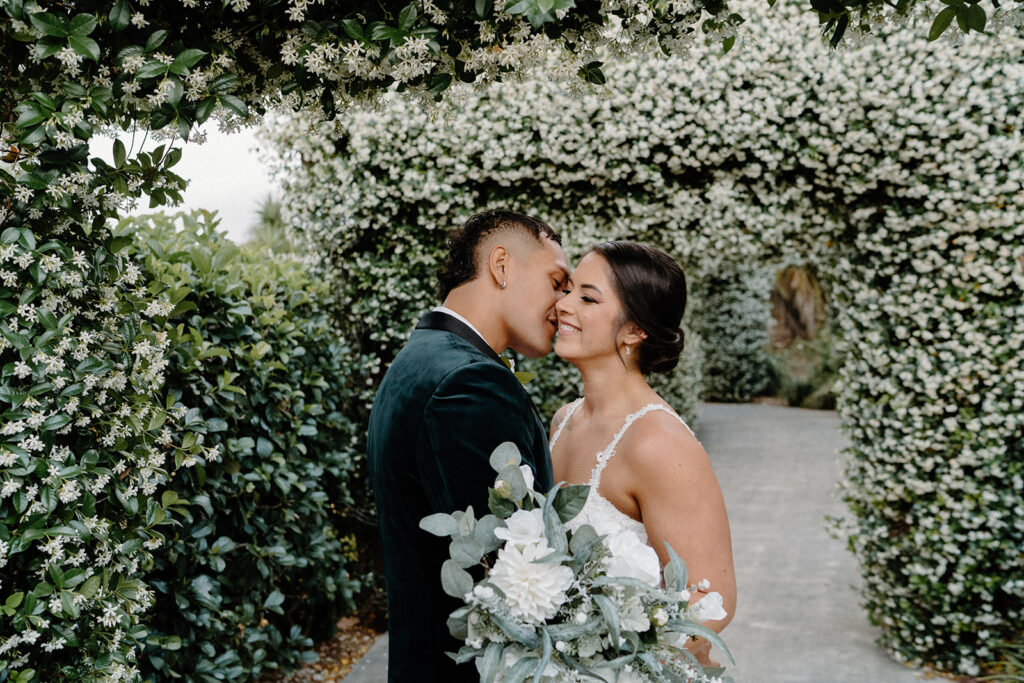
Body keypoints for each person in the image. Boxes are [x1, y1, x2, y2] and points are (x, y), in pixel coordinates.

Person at [367, 209, 571, 682]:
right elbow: (507, 576)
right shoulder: (469, 383)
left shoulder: (419, 358)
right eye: (557, 281)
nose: (563, 303)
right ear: (502, 266)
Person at [549, 240, 736, 664]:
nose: (563, 305)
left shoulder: (657, 443)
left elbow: (710, 600)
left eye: (588, 297)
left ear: (635, 330)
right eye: (569, 289)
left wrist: (596, 666)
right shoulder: (563, 421)